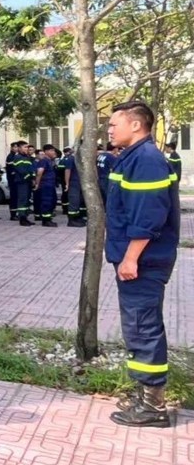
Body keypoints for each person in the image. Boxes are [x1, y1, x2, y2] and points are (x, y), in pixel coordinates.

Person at [104, 100, 180, 428]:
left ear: (136, 125)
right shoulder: (134, 157)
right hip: (138, 258)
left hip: (144, 260)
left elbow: (148, 215)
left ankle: (153, 407)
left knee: (143, 327)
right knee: (137, 326)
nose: (109, 129)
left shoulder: (147, 160)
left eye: (114, 124)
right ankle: (144, 395)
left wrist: (131, 257)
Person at [32, 144, 59, 227]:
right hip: (45, 185)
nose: (54, 152)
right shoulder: (44, 161)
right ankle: (46, 220)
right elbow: (39, 172)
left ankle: (48, 218)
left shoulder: (49, 161)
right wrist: (37, 184)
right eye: (52, 150)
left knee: (52, 201)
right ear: (46, 152)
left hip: (50, 185)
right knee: (46, 202)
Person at [10, 141, 35, 226]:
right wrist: (30, 176)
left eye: (27, 147)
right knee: (22, 200)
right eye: (25, 147)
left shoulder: (26, 157)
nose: (27, 149)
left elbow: (31, 169)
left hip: (27, 181)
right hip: (22, 181)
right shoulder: (18, 158)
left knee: (27, 200)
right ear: (19, 148)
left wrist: (32, 177)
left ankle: (25, 217)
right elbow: (21, 170)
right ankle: (22, 219)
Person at [63, 146, 86, 227]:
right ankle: (71, 220)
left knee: (78, 201)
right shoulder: (71, 158)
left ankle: (76, 217)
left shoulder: (79, 158)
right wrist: (67, 183)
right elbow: (67, 171)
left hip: (79, 182)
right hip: (73, 183)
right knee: (74, 201)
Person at [6, 142, 19, 220]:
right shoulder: (10, 157)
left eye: (17, 147)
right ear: (11, 148)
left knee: (16, 197)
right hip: (12, 180)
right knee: (13, 197)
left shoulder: (15, 156)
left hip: (15, 180)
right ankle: (13, 215)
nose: (16, 148)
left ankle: (15, 213)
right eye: (15, 147)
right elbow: (12, 170)